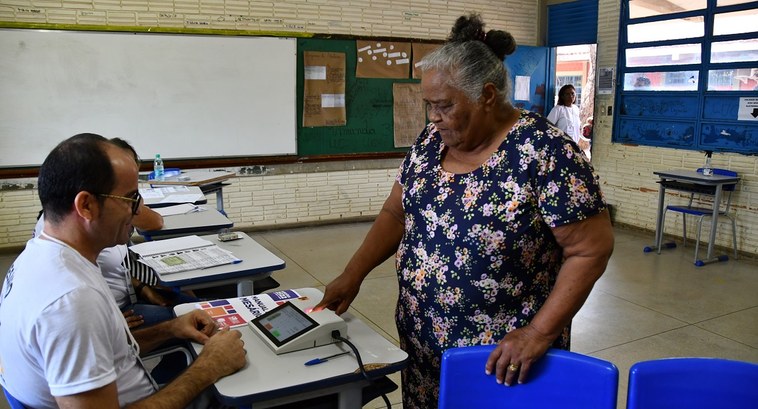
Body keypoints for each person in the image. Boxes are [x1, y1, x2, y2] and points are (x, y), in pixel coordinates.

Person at [314, 14, 614, 408]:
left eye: (443, 106)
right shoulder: (429, 142)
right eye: (428, 106)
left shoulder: (545, 153)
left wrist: (538, 334)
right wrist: (353, 275)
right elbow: (395, 213)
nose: (432, 117)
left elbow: (591, 249)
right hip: (423, 348)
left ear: (487, 96)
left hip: (502, 359)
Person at [0, 133, 246, 408]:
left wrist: (171, 329)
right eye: (131, 198)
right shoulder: (72, 301)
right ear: (87, 206)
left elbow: (106, 352)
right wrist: (208, 368)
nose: (138, 210)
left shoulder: (41, 257)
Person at [547, 84, 592, 160]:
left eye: (572, 94)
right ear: (562, 96)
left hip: (574, 146)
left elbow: (576, 128)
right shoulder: (558, 109)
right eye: (567, 94)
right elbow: (548, 126)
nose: (571, 96)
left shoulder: (575, 109)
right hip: (561, 146)